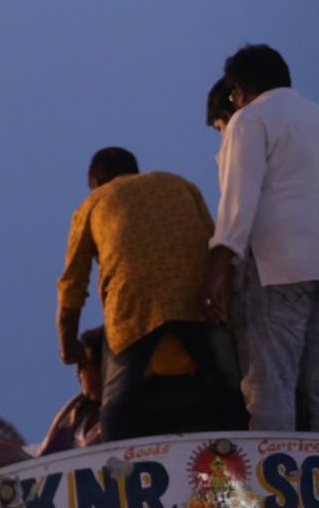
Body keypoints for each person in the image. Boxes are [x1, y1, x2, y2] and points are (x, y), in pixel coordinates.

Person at [56, 147, 247, 440]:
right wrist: (226, 313)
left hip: (133, 311)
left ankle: (118, 473)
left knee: (117, 405)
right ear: (135, 170)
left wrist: (68, 345)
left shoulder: (93, 203)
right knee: (229, 388)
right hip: (195, 302)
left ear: (95, 182)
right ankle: (240, 462)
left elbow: (72, 285)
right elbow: (215, 245)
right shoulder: (179, 184)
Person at [208, 45, 319, 430]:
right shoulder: (314, 116)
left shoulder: (249, 120)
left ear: (239, 88)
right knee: (314, 390)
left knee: (270, 389)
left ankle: (276, 488)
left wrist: (216, 272)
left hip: (275, 270)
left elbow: (238, 203)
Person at [40, 327, 105, 454]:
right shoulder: (75, 413)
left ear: (104, 367)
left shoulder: (137, 413)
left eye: (81, 366)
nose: (77, 374)